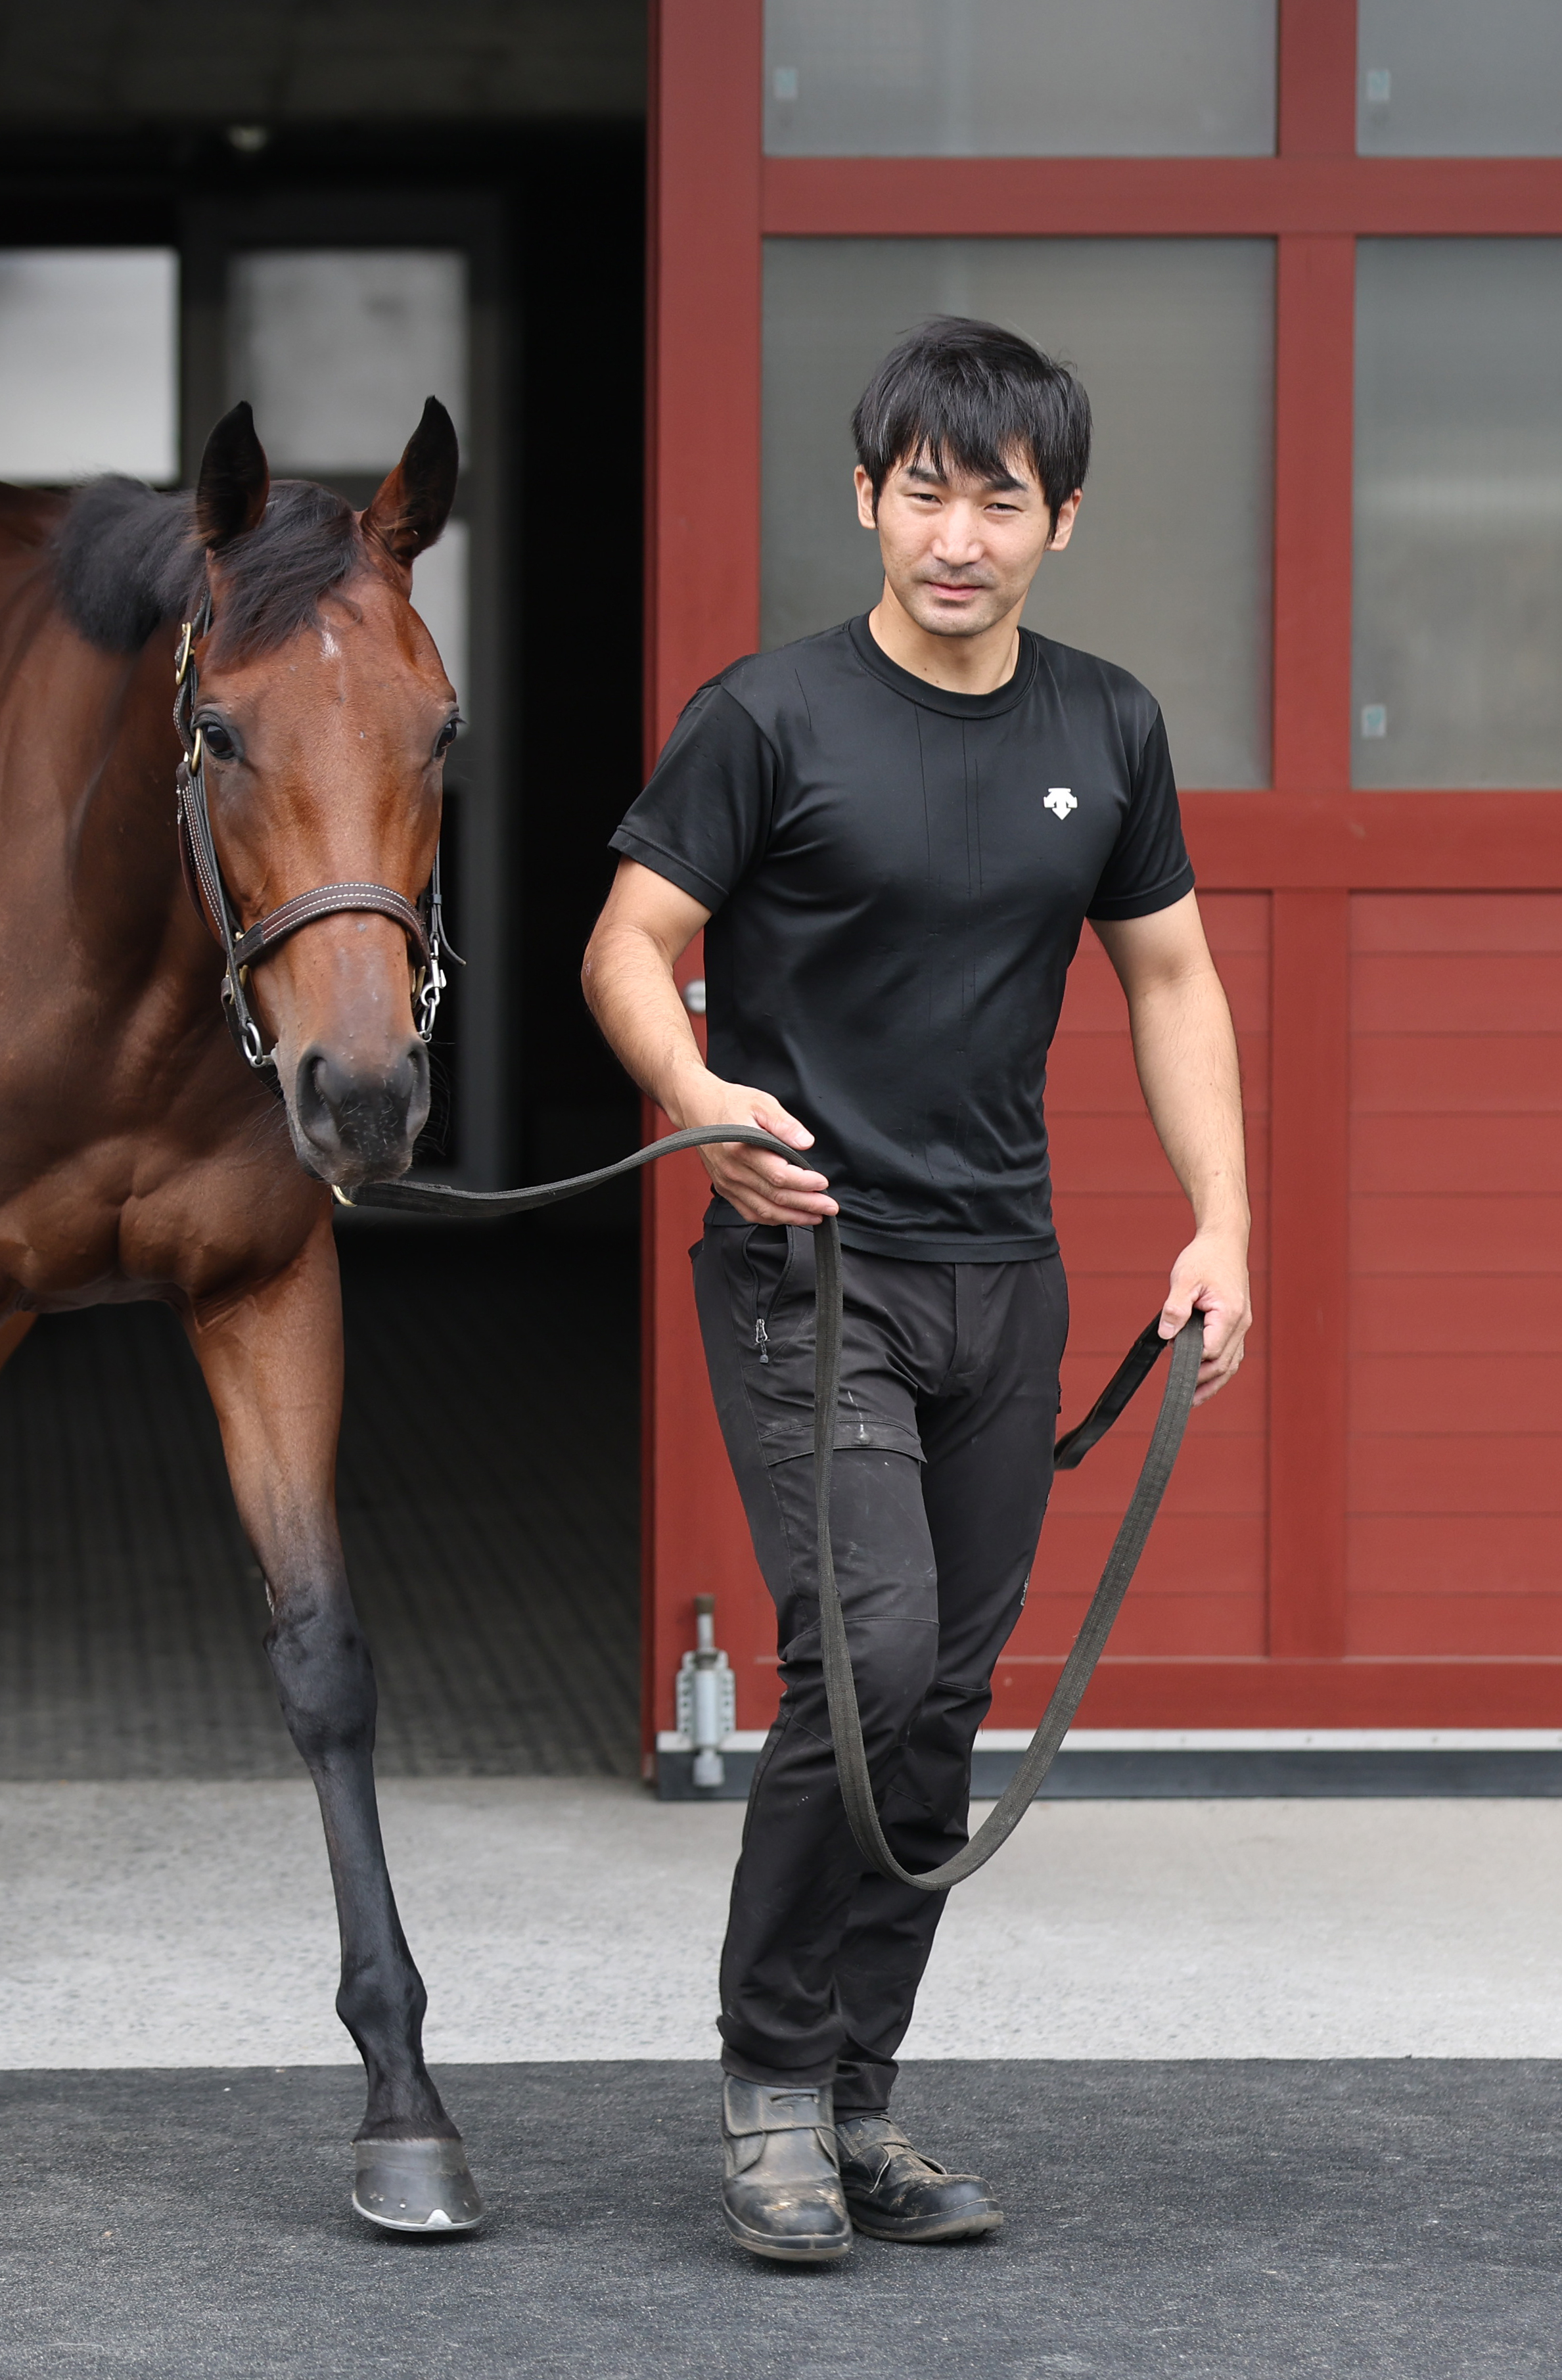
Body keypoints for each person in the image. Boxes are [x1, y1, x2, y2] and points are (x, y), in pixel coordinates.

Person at [582, 316, 1252, 2264]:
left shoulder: (1106, 730)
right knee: (864, 1671)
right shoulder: (766, 719)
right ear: (866, 498)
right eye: (925, 491)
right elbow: (633, 942)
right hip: (813, 1269)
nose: (959, 533)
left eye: (1003, 500)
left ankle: (863, 2098)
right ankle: (772, 2085)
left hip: (1005, 1278)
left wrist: (1224, 1225)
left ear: (1062, 525)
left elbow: (1176, 982)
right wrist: (699, 1096)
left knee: (945, 1707)